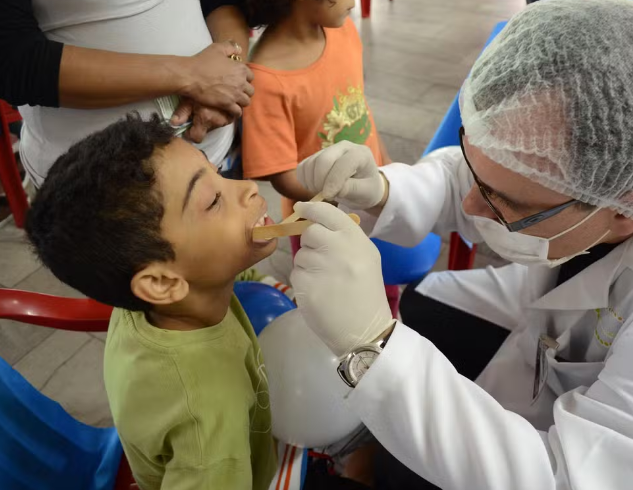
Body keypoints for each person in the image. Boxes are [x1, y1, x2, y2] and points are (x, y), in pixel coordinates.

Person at [287, 0, 633, 488]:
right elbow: (480, 177)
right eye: (475, 167)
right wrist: (384, 189)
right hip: (537, 313)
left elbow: (564, 477)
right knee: (423, 304)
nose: (469, 203)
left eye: (503, 201)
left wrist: (374, 347)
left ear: (621, 210)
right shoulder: (590, 183)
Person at [24, 114, 281, 490]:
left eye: (218, 173)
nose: (247, 188)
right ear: (161, 282)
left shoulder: (142, 304)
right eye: (213, 201)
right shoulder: (210, 419)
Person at [239, 0, 397, 313]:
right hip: (323, 223)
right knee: (337, 305)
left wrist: (386, 163)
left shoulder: (342, 29)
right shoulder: (267, 79)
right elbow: (283, 176)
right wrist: (348, 199)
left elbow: (357, 103)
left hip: (374, 199)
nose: (354, 3)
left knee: (383, 284)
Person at [0, 0, 253, 187]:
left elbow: (220, 2)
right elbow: (14, 60)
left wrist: (229, 68)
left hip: (210, 154)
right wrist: (192, 76)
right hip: (101, 187)